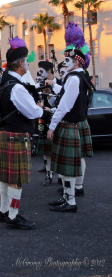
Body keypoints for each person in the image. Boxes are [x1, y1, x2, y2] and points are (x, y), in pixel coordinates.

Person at [0, 37, 43, 229]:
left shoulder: (3, 83)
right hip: (16, 136)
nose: (28, 64)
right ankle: (13, 216)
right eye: (27, 61)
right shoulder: (17, 88)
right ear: (21, 63)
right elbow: (33, 112)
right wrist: (40, 108)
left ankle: (3, 210)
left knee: (6, 177)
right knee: (16, 180)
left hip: (4, 134)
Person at [47, 46, 93, 212]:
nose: (64, 64)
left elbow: (65, 105)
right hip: (75, 122)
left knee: (68, 166)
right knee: (72, 163)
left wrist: (52, 126)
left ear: (76, 62)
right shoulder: (81, 76)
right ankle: (68, 196)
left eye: (67, 61)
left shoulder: (73, 78)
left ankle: (70, 201)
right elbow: (67, 95)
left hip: (69, 124)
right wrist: (54, 86)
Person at [34, 61, 56, 185]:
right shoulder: (39, 85)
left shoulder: (59, 83)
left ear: (49, 71)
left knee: (57, 150)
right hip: (44, 119)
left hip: (56, 120)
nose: (40, 74)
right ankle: (49, 175)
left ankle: (61, 175)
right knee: (47, 152)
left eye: (42, 71)